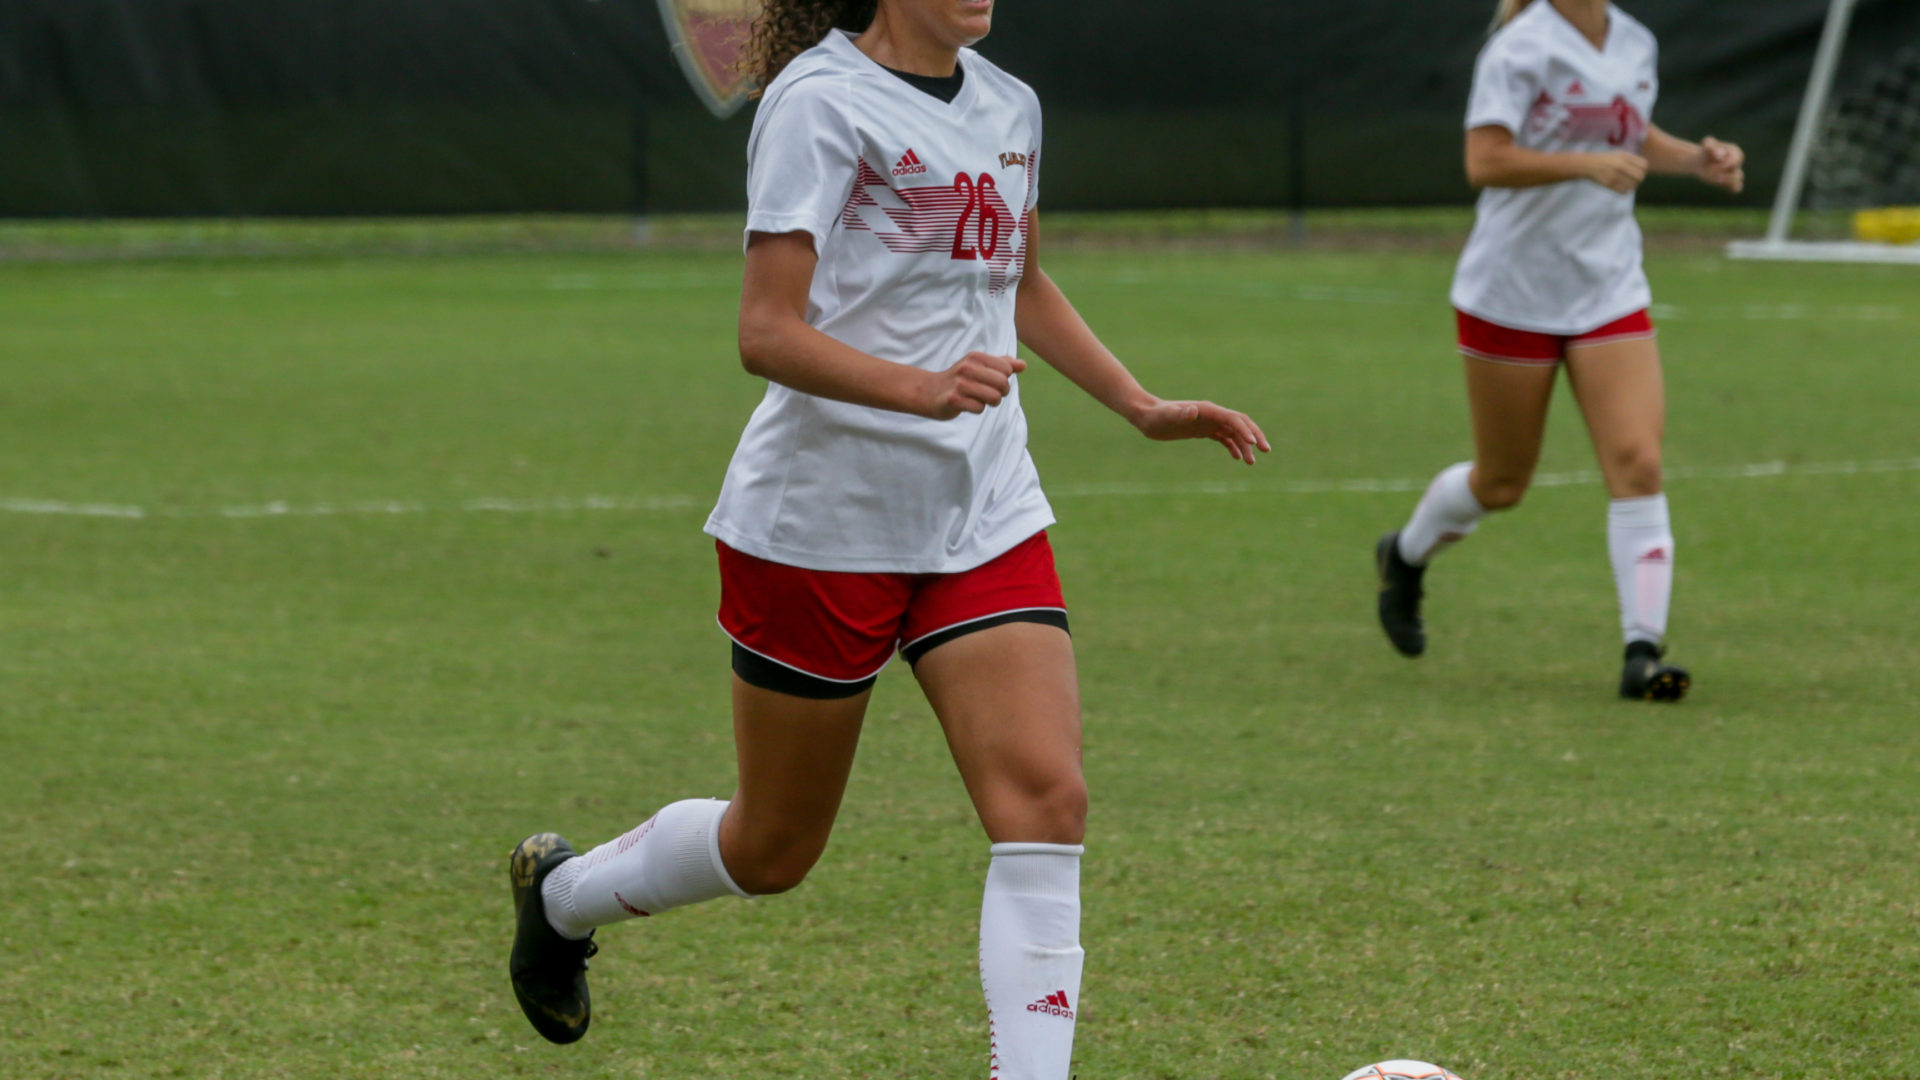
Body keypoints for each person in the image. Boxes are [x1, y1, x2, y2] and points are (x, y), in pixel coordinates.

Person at [505, 1, 1269, 1077]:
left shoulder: (1011, 103)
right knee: (773, 847)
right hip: (823, 523)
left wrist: (1139, 405)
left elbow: (1024, 284)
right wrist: (922, 387)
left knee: (1047, 800)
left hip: (983, 507)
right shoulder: (818, 103)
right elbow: (765, 331)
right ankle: (563, 896)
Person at [1375, 0, 1744, 701]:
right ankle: (1407, 554)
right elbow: (1485, 160)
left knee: (1637, 461)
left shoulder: (1634, 40)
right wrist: (1584, 164)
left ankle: (1643, 651)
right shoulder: (1521, 46)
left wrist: (1697, 159)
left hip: (1608, 285)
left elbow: (1630, 135)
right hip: (1511, 290)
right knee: (1502, 482)